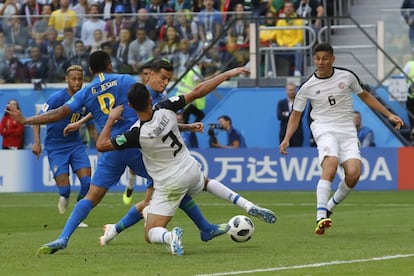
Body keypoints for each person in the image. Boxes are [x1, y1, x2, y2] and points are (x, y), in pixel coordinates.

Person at [7, 51, 233, 254]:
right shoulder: (125, 80)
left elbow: (59, 113)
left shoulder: (86, 92)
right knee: (172, 184)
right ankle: (206, 228)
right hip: (137, 144)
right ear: (110, 65)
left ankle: (63, 237)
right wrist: (182, 125)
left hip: (111, 148)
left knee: (91, 198)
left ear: (91, 71)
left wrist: (27, 120)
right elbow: (148, 107)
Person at [95, 66, 275, 255]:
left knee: (150, 232)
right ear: (149, 99)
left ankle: (169, 237)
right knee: (205, 182)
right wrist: (227, 74)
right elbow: (198, 91)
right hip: (190, 167)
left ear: (130, 106)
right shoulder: (166, 106)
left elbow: (101, 145)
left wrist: (111, 120)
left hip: (169, 182)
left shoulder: (135, 134)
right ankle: (246, 206)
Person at [279, 42, 403, 235]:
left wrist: (389, 115)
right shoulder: (307, 87)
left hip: (347, 129)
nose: (321, 62)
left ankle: (329, 206)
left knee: (353, 174)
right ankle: (320, 215)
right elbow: (296, 115)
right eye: (318, 59)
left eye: (325, 59)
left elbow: (366, 96)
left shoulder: (347, 76)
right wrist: (287, 138)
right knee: (331, 163)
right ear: (314, 59)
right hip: (323, 127)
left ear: (332, 59)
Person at [32, 65, 98, 228]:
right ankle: (64, 196)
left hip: (76, 145)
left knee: (87, 182)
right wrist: (37, 142)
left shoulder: (86, 100)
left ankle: (78, 216)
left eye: (80, 79)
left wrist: (102, 147)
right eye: (73, 79)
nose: (77, 82)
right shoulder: (56, 99)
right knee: (65, 189)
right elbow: (36, 120)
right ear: (66, 80)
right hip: (56, 147)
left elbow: (91, 128)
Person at [275, 1, 304, 77]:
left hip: (293, 46)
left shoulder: (299, 21)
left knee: (299, 46)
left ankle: (297, 71)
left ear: (293, 9)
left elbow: (300, 38)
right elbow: (278, 37)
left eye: (290, 7)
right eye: (286, 7)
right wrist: (281, 44)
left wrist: (290, 45)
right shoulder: (280, 21)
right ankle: (270, 72)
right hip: (282, 46)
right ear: (284, 9)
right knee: (271, 46)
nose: (288, 9)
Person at [277, 82, 304, 147]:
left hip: (297, 134)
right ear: (286, 91)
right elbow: (279, 116)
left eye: (293, 90)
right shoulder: (281, 103)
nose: (291, 92)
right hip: (284, 133)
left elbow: (300, 116)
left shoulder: (299, 102)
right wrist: (293, 115)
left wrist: (286, 114)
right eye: (290, 90)